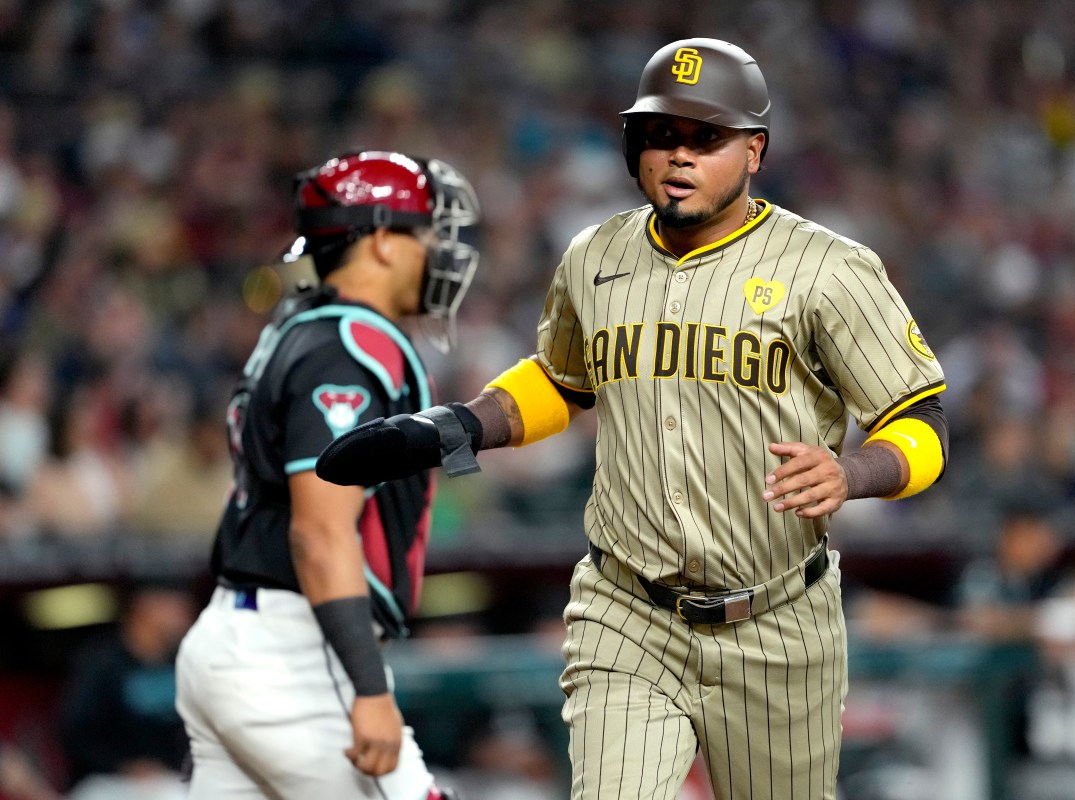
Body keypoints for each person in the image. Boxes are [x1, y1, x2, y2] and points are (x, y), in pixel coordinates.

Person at [318, 39, 949, 800]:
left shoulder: (828, 267)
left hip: (779, 618)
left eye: (704, 138)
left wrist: (853, 473)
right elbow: (563, 380)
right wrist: (454, 427)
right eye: (660, 135)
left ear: (754, 150)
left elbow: (923, 422)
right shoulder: (595, 255)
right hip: (628, 611)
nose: (678, 156)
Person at [174, 151, 479, 800]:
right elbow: (319, 531)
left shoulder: (302, 330)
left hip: (240, 635)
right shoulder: (345, 345)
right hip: (295, 649)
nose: (437, 251)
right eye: (424, 232)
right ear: (381, 242)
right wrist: (370, 689)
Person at [58, 582, 196, 800]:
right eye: (172, 607)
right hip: (106, 781)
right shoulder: (103, 661)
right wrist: (124, 766)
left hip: (171, 778)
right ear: (145, 608)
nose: (182, 616)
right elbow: (75, 731)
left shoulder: (181, 660)